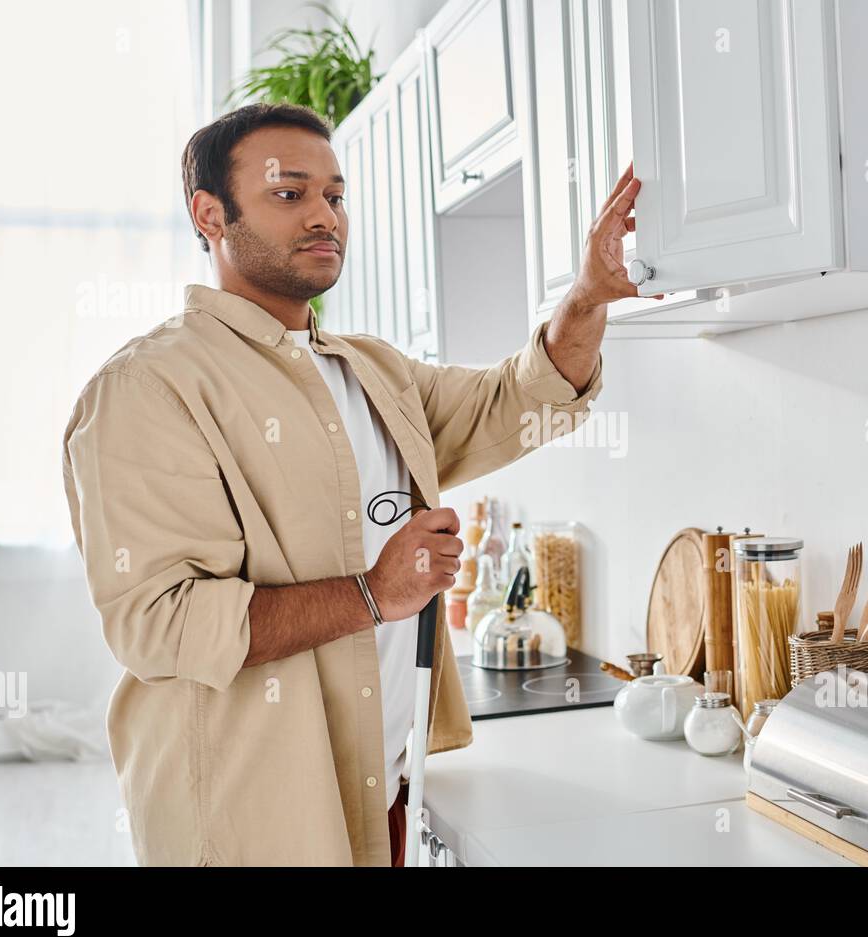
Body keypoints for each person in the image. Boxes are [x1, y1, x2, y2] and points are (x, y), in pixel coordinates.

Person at [61, 102, 651, 865]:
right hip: (251, 823)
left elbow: (520, 401)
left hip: (386, 789)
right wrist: (376, 594)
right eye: (289, 193)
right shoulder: (148, 388)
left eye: (335, 197)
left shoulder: (370, 369)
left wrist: (589, 297)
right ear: (211, 214)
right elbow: (159, 623)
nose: (323, 217)